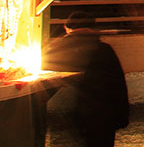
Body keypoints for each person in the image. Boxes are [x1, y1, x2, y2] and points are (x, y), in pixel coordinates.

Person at [41, 11, 129, 147]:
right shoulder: (104, 50)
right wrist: (121, 117)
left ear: (67, 27)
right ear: (92, 28)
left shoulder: (56, 50)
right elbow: (118, 86)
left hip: (68, 121)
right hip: (102, 119)